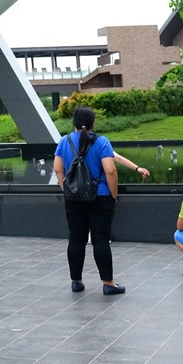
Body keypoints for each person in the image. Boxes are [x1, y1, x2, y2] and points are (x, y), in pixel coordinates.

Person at [53, 106, 126, 295]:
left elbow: (58, 169)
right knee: (100, 239)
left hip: (73, 197)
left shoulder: (64, 141)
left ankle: (76, 281)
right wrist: (113, 194)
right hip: (100, 196)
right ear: (93, 122)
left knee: (76, 238)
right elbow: (110, 170)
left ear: (74, 122)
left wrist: (66, 189)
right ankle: (108, 283)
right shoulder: (102, 142)